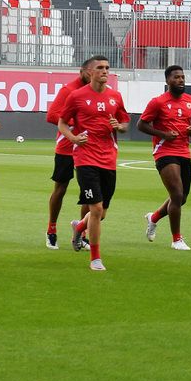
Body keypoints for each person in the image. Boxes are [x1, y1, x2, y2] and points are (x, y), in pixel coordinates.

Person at [57, 55, 130, 271]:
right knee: (96, 208)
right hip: (85, 157)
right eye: (100, 67)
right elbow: (62, 123)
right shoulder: (77, 96)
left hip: (109, 158)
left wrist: (120, 126)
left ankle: (79, 227)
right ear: (90, 72)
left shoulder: (115, 96)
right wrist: (73, 138)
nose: (105, 71)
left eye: (107, 67)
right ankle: (95, 258)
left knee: (102, 212)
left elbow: (125, 121)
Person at [139, 65, 191, 251]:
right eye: (176, 77)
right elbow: (141, 124)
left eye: (182, 77)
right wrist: (162, 134)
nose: (181, 80)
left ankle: (154, 218)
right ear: (167, 80)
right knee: (176, 194)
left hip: (184, 152)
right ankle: (176, 239)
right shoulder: (157, 102)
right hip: (164, 152)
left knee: (182, 198)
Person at [44, 59, 93, 249]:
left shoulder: (97, 92)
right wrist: (77, 121)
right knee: (61, 188)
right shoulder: (68, 90)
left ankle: (81, 232)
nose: (93, 75)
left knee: (89, 193)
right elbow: (51, 115)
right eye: (90, 71)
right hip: (66, 146)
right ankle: (51, 229)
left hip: (88, 147)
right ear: (82, 71)